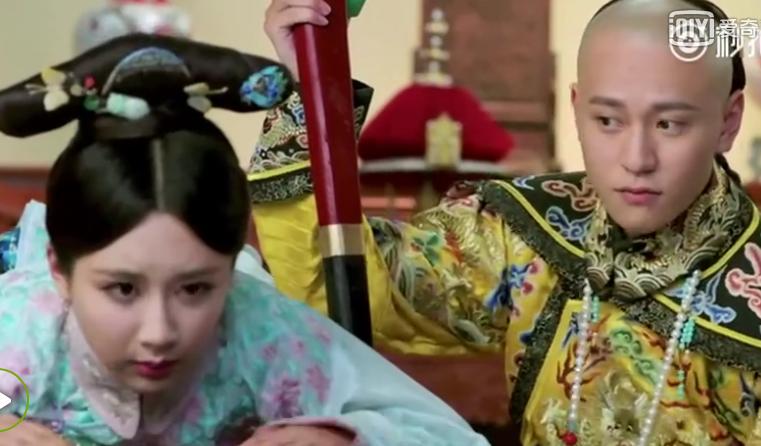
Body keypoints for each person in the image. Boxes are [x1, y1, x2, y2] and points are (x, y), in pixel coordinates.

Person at [252, 0, 761, 444]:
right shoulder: (530, 231)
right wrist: (310, 79)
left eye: (669, 124)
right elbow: (348, 286)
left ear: (728, 121)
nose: (636, 158)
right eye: (608, 120)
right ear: (577, 108)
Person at [0, 34, 489, 446]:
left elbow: (447, 435)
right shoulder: (19, 335)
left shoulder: (260, 332)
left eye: (195, 288)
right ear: (59, 269)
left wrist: (342, 437)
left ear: (232, 266)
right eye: (123, 289)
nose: (159, 332)